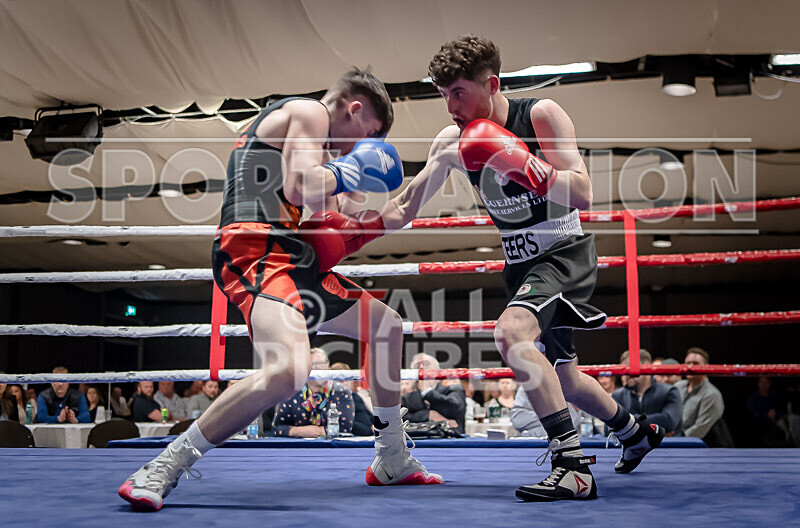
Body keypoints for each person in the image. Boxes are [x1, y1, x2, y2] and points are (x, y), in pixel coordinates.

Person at [343, 35, 664, 501]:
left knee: (511, 334)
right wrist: (350, 232)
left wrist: (518, 161)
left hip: (562, 252)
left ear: (491, 84)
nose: (450, 106)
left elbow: (582, 192)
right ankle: (635, 432)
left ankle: (572, 466)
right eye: (442, 93)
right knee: (566, 379)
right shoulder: (451, 141)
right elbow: (406, 206)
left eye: (458, 93)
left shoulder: (541, 115)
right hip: (521, 266)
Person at [119, 67, 441, 511]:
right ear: (355, 109)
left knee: (386, 328)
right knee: (289, 370)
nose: (358, 148)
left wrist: (442, 160)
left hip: (294, 254)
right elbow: (301, 185)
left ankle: (392, 459)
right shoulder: (307, 112)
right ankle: (164, 466)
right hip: (255, 249)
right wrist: (354, 167)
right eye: (366, 137)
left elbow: (344, 216)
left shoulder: (320, 148)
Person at [273, 350, 355, 437]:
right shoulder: (291, 392)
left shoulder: (341, 391)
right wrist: (298, 431)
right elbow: (277, 428)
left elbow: (345, 429)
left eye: (321, 363)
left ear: (328, 365)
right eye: (312, 364)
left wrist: (318, 432)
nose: (317, 368)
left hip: (332, 447)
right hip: (298, 447)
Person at [612, 350, 682, 435]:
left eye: (629, 366)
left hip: (666, 446)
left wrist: (627, 423)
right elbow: (609, 427)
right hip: (631, 446)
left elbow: (669, 421)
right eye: (624, 368)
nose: (626, 372)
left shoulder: (669, 391)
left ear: (646, 365)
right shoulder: (618, 395)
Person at [402, 354, 467, 433]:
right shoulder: (407, 397)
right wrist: (428, 415)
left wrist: (427, 392)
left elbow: (455, 406)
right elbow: (399, 418)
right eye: (417, 365)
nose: (421, 367)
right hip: (418, 441)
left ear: (437, 370)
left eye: (426, 363)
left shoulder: (453, 389)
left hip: (451, 440)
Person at [674, 348, 725, 439]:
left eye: (695, 363)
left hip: (699, 447)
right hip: (674, 439)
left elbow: (699, 430)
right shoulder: (678, 386)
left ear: (706, 367)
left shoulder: (712, 394)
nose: (690, 367)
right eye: (688, 363)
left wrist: (675, 440)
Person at [331, 361, 374, 436]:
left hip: (371, 435)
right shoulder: (333, 399)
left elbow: (369, 415)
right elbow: (348, 423)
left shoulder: (355, 396)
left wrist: (378, 426)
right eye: (341, 380)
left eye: (348, 379)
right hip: (359, 436)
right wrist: (370, 430)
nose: (345, 382)